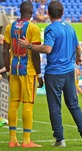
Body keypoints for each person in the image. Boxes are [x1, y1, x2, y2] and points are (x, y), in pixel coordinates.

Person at [18, 1, 82, 147]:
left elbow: (47, 49)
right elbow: (78, 48)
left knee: (55, 107)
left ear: (48, 13)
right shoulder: (71, 28)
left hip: (54, 73)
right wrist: (78, 57)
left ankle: (60, 139)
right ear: (63, 12)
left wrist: (28, 45)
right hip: (69, 71)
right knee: (74, 105)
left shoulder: (50, 29)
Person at [3, 1, 43, 148]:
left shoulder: (9, 27)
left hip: (14, 70)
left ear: (20, 11)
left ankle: (12, 139)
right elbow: (36, 54)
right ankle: (26, 140)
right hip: (28, 71)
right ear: (31, 12)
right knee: (27, 104)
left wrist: (7, 69)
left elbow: (5, 51)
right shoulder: (33, 28)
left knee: (13, 104)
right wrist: (39, 75)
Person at [0, 34, 8, 127]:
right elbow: (7, 66)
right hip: (3, 77)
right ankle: (3, 119)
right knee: (4, 97)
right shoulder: (4, 51)